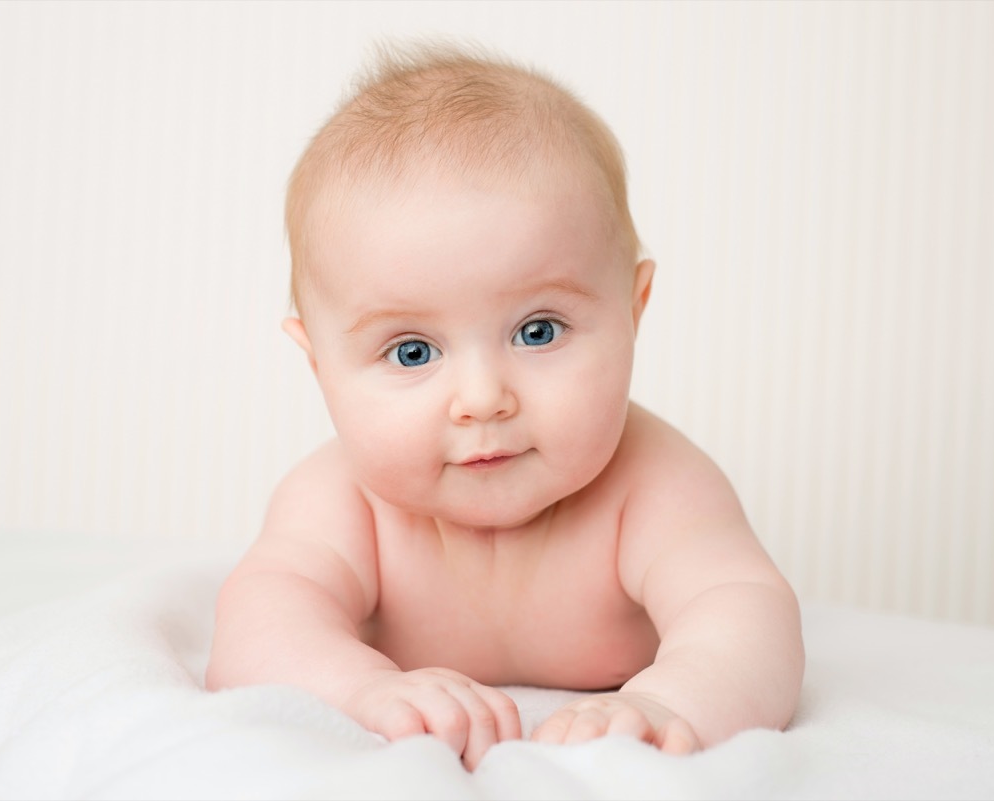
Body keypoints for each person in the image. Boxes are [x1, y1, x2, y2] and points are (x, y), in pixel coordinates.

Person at [205, 40, 804, 771]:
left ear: (633, 308)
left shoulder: (654, 485)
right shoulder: (340, 500)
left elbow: (748, 612)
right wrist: (359, 687)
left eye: (537, 331)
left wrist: (673, 700)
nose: (484, 398)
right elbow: (255, 627)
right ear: (318, 363)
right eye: (413, 352)